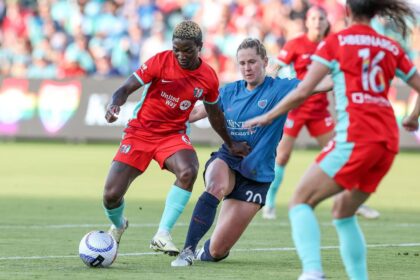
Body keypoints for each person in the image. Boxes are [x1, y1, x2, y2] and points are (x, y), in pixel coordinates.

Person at [244, 0, 420, 279]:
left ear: (347, 12)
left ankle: (312, 272)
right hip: (387, 142)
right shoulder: (391, 46)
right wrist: (412, 117)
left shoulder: (337, 42)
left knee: (300, 201)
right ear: (376, 12)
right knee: (342, 212)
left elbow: (303, 90)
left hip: (356, 137)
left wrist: (267, 116)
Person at [171, 38, 332, 267]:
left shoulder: (281, 88)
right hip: (228, 159)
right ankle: (187, 251)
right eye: (242, 63)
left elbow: (317, 84)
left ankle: (204, 251)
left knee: (217, 251)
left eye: (252, 62)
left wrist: (347, 72)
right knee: (215, 185)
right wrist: (158, 118)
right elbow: (196, 113)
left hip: (257, 174)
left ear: (265, 62)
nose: (247, 68)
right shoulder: (229, 92)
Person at [102, 20, 249, 257]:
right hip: (140, 132)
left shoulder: (208, 78)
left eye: (187, 50)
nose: (180, 55)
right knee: (111, 196)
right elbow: (124, 89)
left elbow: (215, 114)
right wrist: (114, 105)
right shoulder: (160, 61)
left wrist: (231, 144)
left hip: (172, 134)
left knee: (188, 170)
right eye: (176, 49)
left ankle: (162, 234)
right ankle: (119, 225)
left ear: (199, 47)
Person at [264, 5, 379, 220]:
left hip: (319, 110)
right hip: (296, 108)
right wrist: (269, 82)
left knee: (341, 154)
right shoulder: (296, 44)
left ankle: (353, 202)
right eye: (314, 18)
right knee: (282, 156)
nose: (317, 22)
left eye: (321, 18)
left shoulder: (332, 44)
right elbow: (276, 66)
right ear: (307, 22)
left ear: (327, 22)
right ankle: (269, 204)